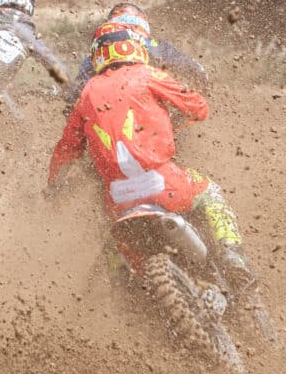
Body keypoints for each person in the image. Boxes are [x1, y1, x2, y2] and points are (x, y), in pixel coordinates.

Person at [47, 21, 258, 295]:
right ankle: (232, 256)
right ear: (135, 47)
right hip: (167, 185)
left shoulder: (86, 93)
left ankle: (127, 293)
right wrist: (173, 123)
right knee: (210, 193)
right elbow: (199, 107)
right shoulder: (148, 74)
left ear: (98, 54)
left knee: (111, 236)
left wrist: (53, 187)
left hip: (118, 200)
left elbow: (65, 150)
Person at [65, 2, 208, 104]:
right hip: (150, 110)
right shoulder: (156, 46)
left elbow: (75, 96)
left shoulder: (96, 56)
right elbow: (197, 71)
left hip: (108, 113)